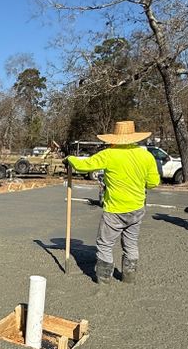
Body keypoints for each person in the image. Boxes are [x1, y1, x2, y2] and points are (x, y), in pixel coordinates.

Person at [66, 120, 160, 285]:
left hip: (115, 209)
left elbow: (85, 165)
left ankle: (104, 279)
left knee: (105, 244)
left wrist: (70, 159)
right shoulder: (146, 156)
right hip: (137, 208)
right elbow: (153, 183)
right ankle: (129, 278)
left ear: (114, 139)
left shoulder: (109, 154)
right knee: (130, 243)